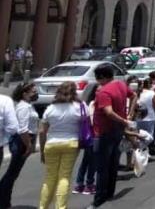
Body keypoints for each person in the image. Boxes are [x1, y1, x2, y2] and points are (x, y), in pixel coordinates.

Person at [90, 63, 137, 207]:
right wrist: (129, 115)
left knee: (102, 167)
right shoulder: (121, 84)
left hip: (104, 131)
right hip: (118, 130)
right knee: (113, 163)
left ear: (102, 77)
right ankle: (109, 192)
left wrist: (124, 119)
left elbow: (108, 112)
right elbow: (134, 95)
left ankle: (99, 198)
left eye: (98, 79)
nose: (98, 82)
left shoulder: (104, 92)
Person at [37, 81, 86, 209]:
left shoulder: (50, 108)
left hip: (51, 144)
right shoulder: (80, 107)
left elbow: (42, 131)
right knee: (64, 177)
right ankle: (60, 207)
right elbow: (85, 125)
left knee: (50, 177)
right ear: (74, 92)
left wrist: (42, 151)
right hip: (71, 143)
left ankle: (43, 207)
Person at [0, 82, 38, 208]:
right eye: (33, 91)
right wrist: (28, 145)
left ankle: (4, 201)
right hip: (22, 142)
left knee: (13, 174)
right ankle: (4, 202)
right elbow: (22, 129)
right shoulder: (23, 107)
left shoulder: (28, 105)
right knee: (12, 174)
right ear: (24, 94)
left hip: (25, 140)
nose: (36, 93)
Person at [74, 85, 99, 195]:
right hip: (92, 135)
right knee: (92, 160)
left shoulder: (85, 104)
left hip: (85, 135)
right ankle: (89, 184)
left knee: (87, 160)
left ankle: (80, 184)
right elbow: (90, 121)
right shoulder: (91, 104)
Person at [136, 78, 155, 155]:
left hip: (138, 118)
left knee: (140, 136)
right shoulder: (152, 93)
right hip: (150, 117)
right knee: (149, 137)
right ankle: (143, 151)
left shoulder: (137, 93)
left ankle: (142, 152)